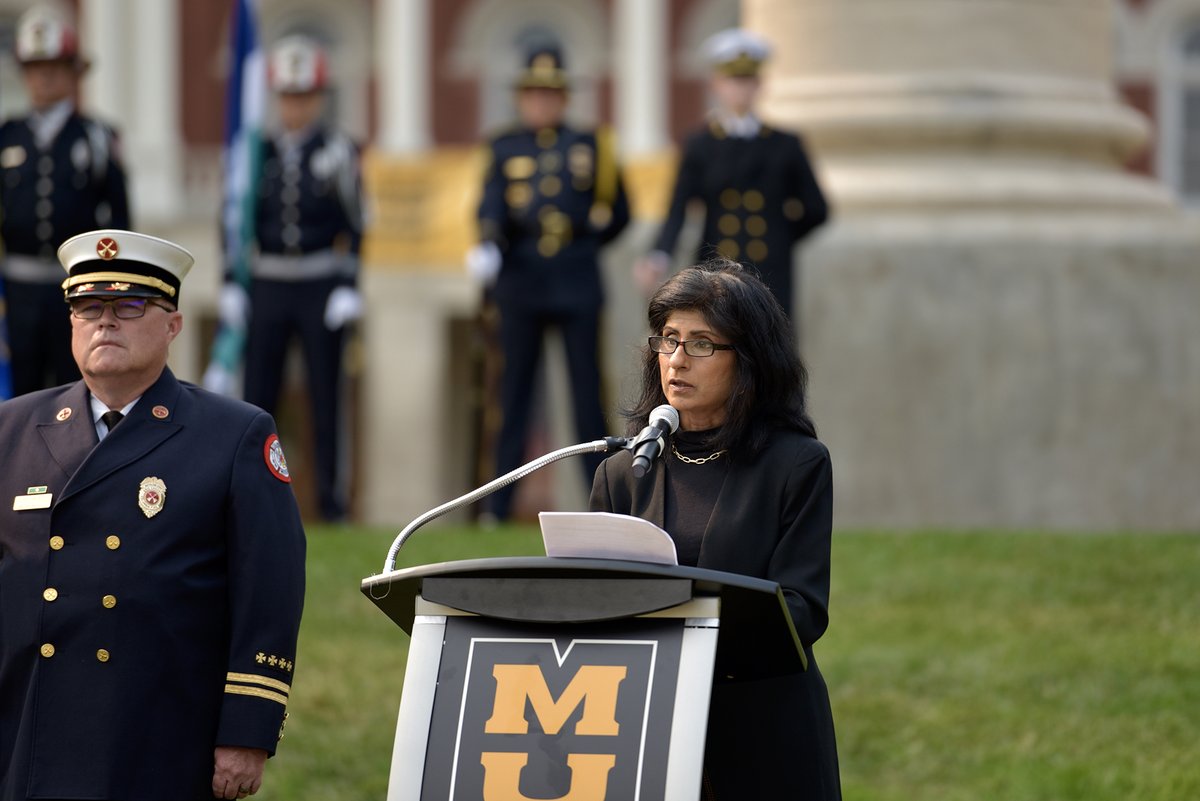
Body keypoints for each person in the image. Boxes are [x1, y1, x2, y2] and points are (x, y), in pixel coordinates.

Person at [0, 229, 306, 801]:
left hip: (159, 733)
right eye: (88, 306)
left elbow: (270, 590)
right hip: (26, 726)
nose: (105, 322)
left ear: (173, 324)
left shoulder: (233, 434)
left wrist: (247, 732)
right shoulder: (11, 430)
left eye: (128, 305)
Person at [590, 259, 840, 799]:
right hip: (645, 730)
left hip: (763, 736)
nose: (677, 360)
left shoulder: (796, 464)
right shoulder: (622, 472)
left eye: (702, 344)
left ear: (748, 361)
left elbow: (802, 611)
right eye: (669, 340)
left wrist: (685, 620)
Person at [468, 45, 630, 521]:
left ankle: (602, 503)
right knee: (513, 394)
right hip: (521, 283)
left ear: (563, 98)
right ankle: (498, 508)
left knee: (586, 397)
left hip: (577, 282)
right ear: (523, 98)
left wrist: (585, 245)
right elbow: (490, 204)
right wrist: (489, 240)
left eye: (550, 94)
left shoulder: (591, 144)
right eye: (534, 94)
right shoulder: (503, 146)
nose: (542, 102)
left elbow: (620, 211)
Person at [216, 34, 364, 522]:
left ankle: (331, 502)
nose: (296, 106)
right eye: (288, 96)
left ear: (318, 97)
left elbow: (357, 221)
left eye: (304, 96)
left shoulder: (338, 149)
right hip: (268, 282)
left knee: (326, 396)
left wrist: (350, 282)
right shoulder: (254, 152)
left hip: (321, 282)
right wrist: (230, 281)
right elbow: (233, 220)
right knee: (259, 396)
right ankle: (254, 499)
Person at [635, 28, 828, 324]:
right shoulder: (700, 144)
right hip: (715, 271)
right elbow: (678, 209)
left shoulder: (785, 144)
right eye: (732, 80)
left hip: (771, 270)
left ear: (760, 84)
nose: (740, 89)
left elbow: (817, 209)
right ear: (717, 85)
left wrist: (779, 235)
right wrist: (658, 255)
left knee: (770, 352)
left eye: (747, 79)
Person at [0, 4, 131, 396]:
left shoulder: (95, 137)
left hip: (77, 291)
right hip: (17, 291)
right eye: (36, 66)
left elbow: (121, 217)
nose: (45, 76)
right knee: (20, 400)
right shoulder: (7, 136)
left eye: (55, 65)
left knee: (77, 393)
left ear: (74, 71)